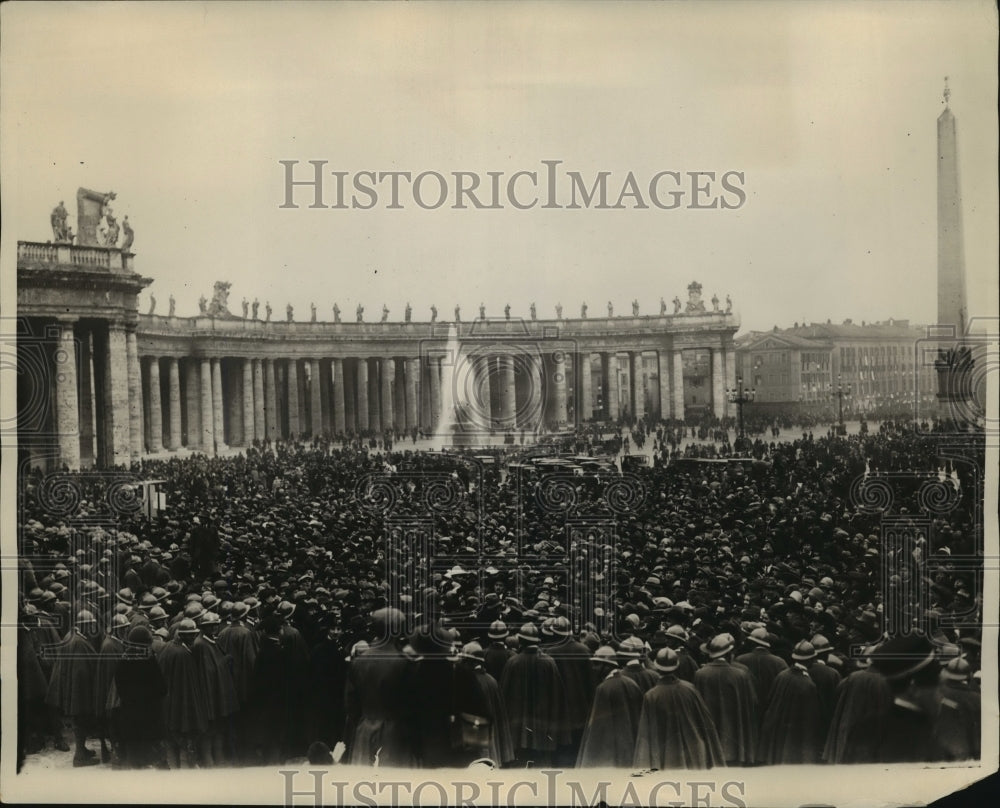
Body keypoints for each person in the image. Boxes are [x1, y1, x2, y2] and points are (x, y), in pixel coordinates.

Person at [633, 648, 724, 770]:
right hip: (693, 750)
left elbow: (646, 733)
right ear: (676, 666)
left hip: (666, 754)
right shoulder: (690, 689)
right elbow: (705, 721)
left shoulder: (651, 696)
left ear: (657, 668)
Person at [344, 607, 414, 767]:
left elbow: (351, 704)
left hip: (364, 730)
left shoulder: (358, 661)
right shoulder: (404, 663)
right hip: (395, 734)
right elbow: (410, 703)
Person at [500, 623, 567, 767]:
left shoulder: (512, 662)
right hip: (543, 724)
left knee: (519, 764)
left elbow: (503, 694)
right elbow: (558, 695)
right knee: (542, 763)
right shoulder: (549, 662)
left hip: (518, 725)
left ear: (521, 641)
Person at [693, 633, 758, 766]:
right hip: (735, 736)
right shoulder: (740, 675)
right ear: (729, 653)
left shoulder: (700, 674)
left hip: (709, 736)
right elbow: (752, 701)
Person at [45, 611, 100, 766]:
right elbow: (81, 671)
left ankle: (82, 750)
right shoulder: (79, 642)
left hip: (72, 687)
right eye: (90, 625)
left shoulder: (71, 636)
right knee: (80, 720)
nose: (92, 628)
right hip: (79, 689)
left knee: (78, 719)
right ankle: (80, 756)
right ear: (84, 625)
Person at [757, 640, 824, 764]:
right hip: (794, 736)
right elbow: (810, 720)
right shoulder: (808, 684)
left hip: (777, 732)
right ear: (811, 659)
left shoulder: (782, 675)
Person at [577, 646, 643, 767]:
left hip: (610, 753)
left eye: (597, 664)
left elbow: (597, 728)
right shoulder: (631, 683)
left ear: (607, 666)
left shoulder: (603, 688)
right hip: (632, 747)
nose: (593, 668)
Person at [159, 618, 209, 769]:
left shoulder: (168, 647)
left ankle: (174, 768)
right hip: (180, 705)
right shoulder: (183, 654)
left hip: (167, 703)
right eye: (191, 635)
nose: (193, 637)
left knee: (171, 742)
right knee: (185, 742)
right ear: (183, 635)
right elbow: (189, 686)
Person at [114, 625, 167, 769]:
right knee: (153, 759)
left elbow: (120, 689)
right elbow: (162, 688)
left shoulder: (123, 660)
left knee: (134, 757)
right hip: (150, 718)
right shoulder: (150, 661)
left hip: (129, 717)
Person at [735, 627, 787, 706]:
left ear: (752, 643)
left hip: (748, 705)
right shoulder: (780, 662)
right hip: (770, 705)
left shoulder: (740, 659)